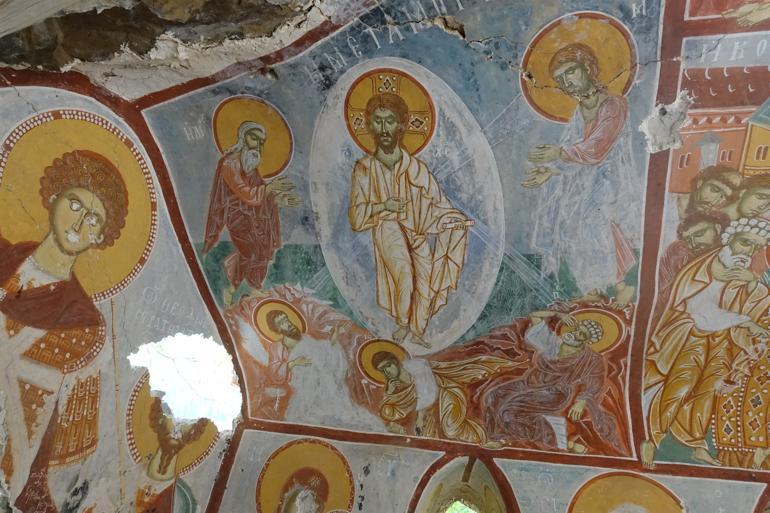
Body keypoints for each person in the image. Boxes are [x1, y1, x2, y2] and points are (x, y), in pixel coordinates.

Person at [0, 151, 128, 512]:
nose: (80, 222)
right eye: (75, 203)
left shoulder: (83, 324)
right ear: (53, 198)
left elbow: (52, 437)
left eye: (94, 219)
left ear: (100, 235)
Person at [642, 217, 770, 468]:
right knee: (682, 384)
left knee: (711, 389)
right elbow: (701, 307)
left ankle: (696, 443)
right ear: (729, 238)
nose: (749, 251)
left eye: (755, 247)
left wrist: (751, 284)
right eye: (745, 243)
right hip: (694, 333)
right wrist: (746, 321)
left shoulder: (744, 271)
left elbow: (753, 298)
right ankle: (652, 439)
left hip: (724, 338)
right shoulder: (712, 264)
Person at [348, 93, 470, 347]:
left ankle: (415, 330)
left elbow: (438, 206)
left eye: (390, 121)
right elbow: (357, 217)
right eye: (378, 121)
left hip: (417, 232)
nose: (383, 128)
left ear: (401, 126)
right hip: (387, 228)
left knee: (424, 280)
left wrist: (452, 221)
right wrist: (384, 206)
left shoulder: (417, 168)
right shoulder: (364, 169)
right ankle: (402, 324)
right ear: (369, 126)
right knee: (405, 275)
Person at [523, 43, 641, 296]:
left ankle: (620, 285)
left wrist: (557, 153)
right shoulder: (579, 112)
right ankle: (593, 289)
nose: (567, 82)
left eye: (571, 72)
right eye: (560, 79)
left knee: (595, 226)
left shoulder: (614, 105)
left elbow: (596, 148)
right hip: (584, 184)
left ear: (588, 68)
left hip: (610, 183)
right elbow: (577, 153)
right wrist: (552, 170)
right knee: (572, 229)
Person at [482, 309, 624, 454]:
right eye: (576, 329)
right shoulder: (553, 342)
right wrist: (558, 314)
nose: (575, 333)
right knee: (492, 396)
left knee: (510, 411)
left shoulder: (592, 359)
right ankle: (495, 436)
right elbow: (534, 315)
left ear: (587, 341)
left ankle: (548, 439)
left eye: (581, 334)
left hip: (554, 393)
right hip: (530, 383)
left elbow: (595, 383)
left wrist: (581, 402)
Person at [203, 121, 300, 304]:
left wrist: (279, 199)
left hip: (253, 217)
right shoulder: (230, 163)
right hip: (236, 216)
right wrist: (270, 188)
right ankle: (231, 288)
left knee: (261, 251)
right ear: (242, 137)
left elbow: (262, 194)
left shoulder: (251, 166)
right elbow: (246, 193)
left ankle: (254, 287)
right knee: (252, 252)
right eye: (253, 137)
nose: (256, 143)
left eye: (260, 141)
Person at [264, 311, 385, 431]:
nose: (288, 323)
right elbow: (274, 372)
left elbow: (324, 353)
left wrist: (335, 336)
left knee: (334, 399)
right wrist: (294, 363)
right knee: (304, 414)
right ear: (278, 329)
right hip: (304, 387)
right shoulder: (277, 347)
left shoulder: (306, 338)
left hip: (322, 382)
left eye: (286, 319)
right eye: (282, 323)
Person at [372, 349, 514, 444]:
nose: (387, 372)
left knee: (450, 428)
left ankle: (482, 442)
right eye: (382, 370)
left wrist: (420, 418)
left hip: (446, 393)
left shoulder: (416, 365)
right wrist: (389, 394)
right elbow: (391, 413)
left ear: (396, 361)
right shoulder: (394, 386)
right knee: (427, 440)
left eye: (388, 366)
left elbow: (426, 391)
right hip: (430, 411)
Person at [652, 211, 728, 325]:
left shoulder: (734, 251)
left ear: (717, 228)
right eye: (688, 240)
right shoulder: (683, 259)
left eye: (699, 234)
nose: (693, 244)